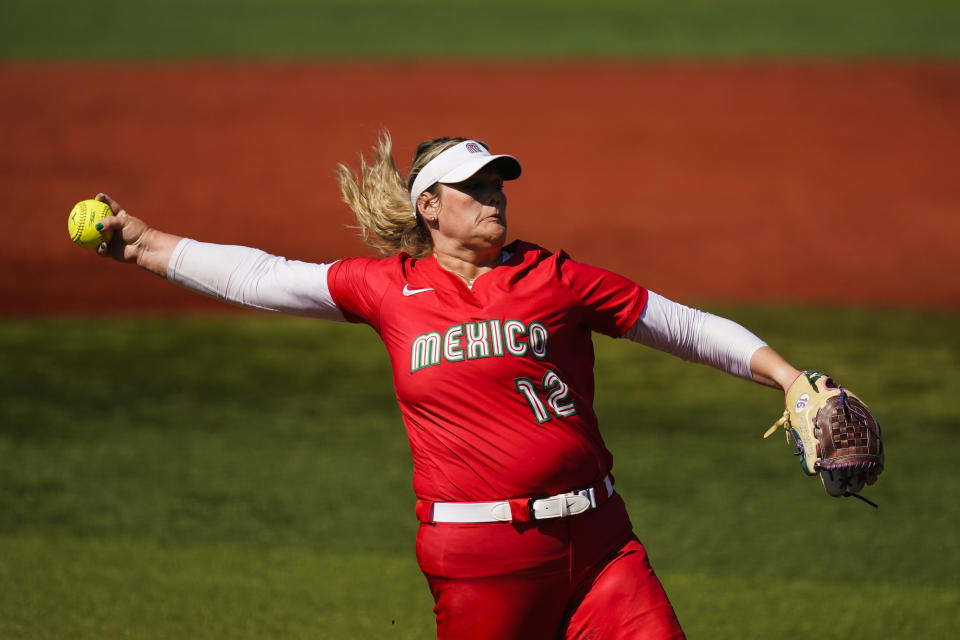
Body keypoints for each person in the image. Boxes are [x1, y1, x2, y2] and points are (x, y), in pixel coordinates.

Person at [92, 133, 801, 639]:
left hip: (601, 547)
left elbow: (679, 324)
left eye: (498, 183)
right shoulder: (387, 289)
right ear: (429, 207)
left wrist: (790, 379)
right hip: (480, 565)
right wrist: (146, 245)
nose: (494, 196)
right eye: (476, 186)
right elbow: (263, 276)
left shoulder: (553, 277)